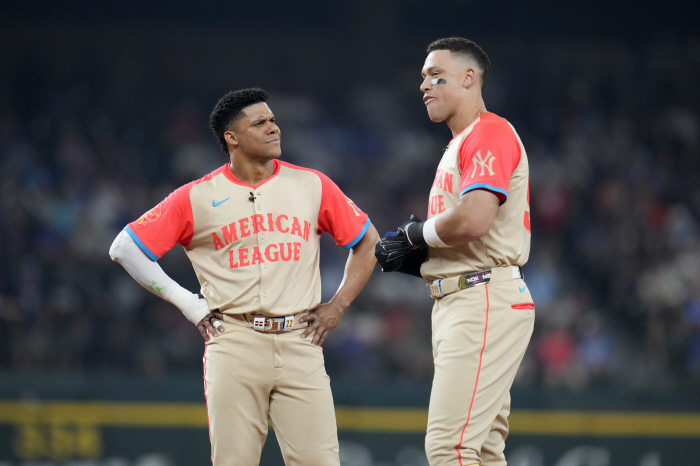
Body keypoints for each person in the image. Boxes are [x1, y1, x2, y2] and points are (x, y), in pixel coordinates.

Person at [109, 87, 379, 466]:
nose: (274, 128)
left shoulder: (312, 184)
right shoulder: (197, 195)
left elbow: (368, 241)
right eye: (260, 123)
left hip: (300, 339)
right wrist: (188, 303)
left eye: (273, 120)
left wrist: (338, 305)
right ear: (231, 138)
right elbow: (124, 247)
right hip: (233, 339)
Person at [375, 38, 534, 466]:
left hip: (482, 298)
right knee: (481, 451)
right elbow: (471, 232)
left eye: (434, 75)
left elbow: (474, 219)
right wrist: (423, 260)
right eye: (423, 77)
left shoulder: (488, 131)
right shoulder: (461, 142)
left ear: (469, 78)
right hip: (466, 294)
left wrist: (416, 235)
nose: (423, 84)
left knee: (450, 448)